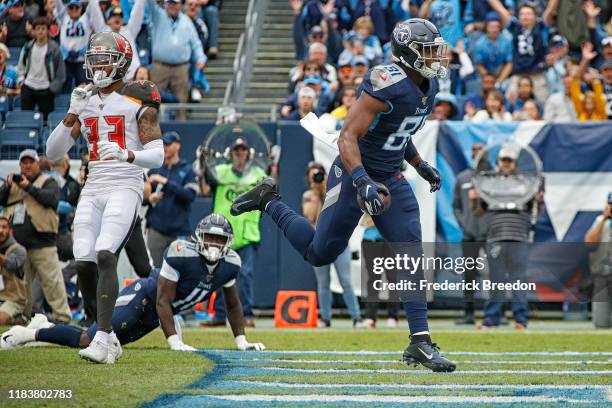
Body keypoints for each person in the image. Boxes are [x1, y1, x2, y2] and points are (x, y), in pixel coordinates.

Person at [231, 19, 456, 373]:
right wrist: (362, 180)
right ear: (407, 53)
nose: (435, 57)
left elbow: (399, 128)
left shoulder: (428, 85)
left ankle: (420, 343)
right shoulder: (386, 84)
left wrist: (418, 162)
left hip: (390, 177)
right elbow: (348, 137)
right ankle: (267, 201)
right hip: (354, 173)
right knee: (319, 253)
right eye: (427, 50)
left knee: (411, 251)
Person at [45, 31, 164, 364]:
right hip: (94, 184)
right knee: (83, 259)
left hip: (125, 182)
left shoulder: (139, 96)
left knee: (106, 252)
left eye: (104, 58)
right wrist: (71, 114)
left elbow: (157, 155)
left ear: (122, 63)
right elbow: (53, 152)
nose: (97, 64)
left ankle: (100, 336)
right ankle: (106, 335)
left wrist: (128, 155)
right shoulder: (83, 98)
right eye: (94, 58)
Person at [1, 215, 266, 355]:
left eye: (219, 241)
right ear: (198, 238)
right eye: (209, 238)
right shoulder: (180, 252)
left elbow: (232, 304)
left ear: (228, 243)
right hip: (145, 298)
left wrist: (241, 340)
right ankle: (28, 333)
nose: (213, 246)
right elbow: (163, 300)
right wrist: (174, 342)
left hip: (158, 315)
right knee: (91, 339)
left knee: (98, 341)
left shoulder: (231, 263)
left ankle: (44, 327)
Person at [472, 145, 543, 330]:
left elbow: (536, 211)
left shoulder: (526, 184)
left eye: (509, 161)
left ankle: (521, 319)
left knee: (518, 280)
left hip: (519, 237)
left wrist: (539, 201)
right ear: (498, 163)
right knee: (496, 280)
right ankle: (491, 319)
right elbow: (478, 212)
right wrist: (474, 199)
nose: (506, 164)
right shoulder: (489, 185)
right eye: (503, 160)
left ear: (515, 163)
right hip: (495, 238)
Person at [201, 137, 267, 328]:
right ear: (231, 153)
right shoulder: (221, 172)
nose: (240, 153)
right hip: (223, 233)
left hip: (247, 233)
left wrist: (275, 168)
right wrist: (204, 163)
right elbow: (205, 187)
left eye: (243, 150)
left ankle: (246, 315)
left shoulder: (258, 173)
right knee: (220, 274)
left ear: (248, 153)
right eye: (236, 150)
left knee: (245, 274)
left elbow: (268, 193)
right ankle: (220, 315)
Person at [0, 149, 72, 323]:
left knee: (52, 282)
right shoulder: (14, 183)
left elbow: (51, 200)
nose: (27, 165)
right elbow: (1, 201)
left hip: (43, 242)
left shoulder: (48, 181)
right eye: (23, 162)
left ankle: (62, 317)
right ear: (19, 165)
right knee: (23, 286)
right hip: (19, 245)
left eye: (30, 161)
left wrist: (28, 187)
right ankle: (25, 317)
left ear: (37, 163)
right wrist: (8, 186)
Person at [301, 162, 364, 328]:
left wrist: (325, 190)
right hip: (318, 243)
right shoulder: (308, 195)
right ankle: (326, 318)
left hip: (338, 241)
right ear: (308, 177)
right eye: (314, 175)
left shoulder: (333, 190)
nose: (317, 177)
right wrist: (315, 195)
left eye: (320, 174)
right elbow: (309, 217)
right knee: (323, 282)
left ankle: (356, 317)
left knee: (346, 280)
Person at [486, 0, 559, 103]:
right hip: (518, 74)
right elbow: (500, 10)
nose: (525, 17)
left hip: (537, 74)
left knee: (543, 103)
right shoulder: (514, 27)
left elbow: (550, 9)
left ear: (535, 16)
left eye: (528, 14)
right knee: (509, 101)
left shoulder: (541, 27)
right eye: (522, 14)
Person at [145, 131, 198, 268]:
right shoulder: (155, 170)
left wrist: (165, 182)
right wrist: (150, 198)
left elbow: (189, 195)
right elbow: (142, 198)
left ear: (177, 146)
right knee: (155, 272)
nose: (165, 147)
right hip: (156, 231)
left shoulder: (187, 170)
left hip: (179, 232)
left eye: (168, 144)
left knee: (180, 273)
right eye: (163, 144)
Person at [452, 143, 490, 325]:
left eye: (481, 149)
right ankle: (469, 313)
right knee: (468, 275)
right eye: (474, 149)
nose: (478, 153)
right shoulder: (463, 178)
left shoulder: (494, 178)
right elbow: (456, 205)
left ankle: (494, 314)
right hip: (469, 235)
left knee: (495, 274)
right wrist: (464, 224)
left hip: (490, 235)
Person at [147, 0, 206, 105]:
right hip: (159, 66)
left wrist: (201, 58)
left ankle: (181, 122)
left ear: (181, 5)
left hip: (181, 68)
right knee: (153, 102)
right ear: (164, 3)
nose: (172, 5)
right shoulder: (158, 15)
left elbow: (196, 43)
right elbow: (149, 3)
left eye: (175, 3)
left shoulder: (186, 21)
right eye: (169, 2)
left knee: (181, 103)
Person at [16, 16, 65, 120]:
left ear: (48, 30)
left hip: (46, 89)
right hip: (28, 87)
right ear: (33, 31)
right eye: (37, 29)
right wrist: (21, 81)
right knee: (26, 118)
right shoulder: (28, 47)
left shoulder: (54, 49)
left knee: (47, 120)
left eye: (43, 28)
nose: (40, 31)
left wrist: (52, 88)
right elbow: (21, 66)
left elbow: (60, 73)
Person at [88, 0, 145, 81]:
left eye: (120, 16)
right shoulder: (102, 31)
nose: (117, 18)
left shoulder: (129, 31)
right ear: (108, 21)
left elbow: (138, 13)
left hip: (131, 77)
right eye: (114, 16)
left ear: (123, 21)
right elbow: (94, 11)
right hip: (110, 78)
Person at [585, 193, 612, 328]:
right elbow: (589, 242)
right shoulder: (600, 221)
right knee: (601, 323)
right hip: (603, 275)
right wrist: (604, 219)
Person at [55, 0, 93, 91]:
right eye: (71, 7)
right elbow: (57, 2)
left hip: (81, 61)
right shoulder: (63, 18)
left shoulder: (86, 19)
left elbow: (93, 5)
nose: (74, 9)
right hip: (65, 60)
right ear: (67, 9)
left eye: (77, 7)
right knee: (64, 89)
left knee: (84, 89)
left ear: (81, 9)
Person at [0, 216, 28, 325]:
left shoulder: (19, 250)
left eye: (4, 227)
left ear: (10, 231)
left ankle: (19, 319)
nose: (1, 230)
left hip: (13, 300)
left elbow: (12, 265)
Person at [472, 12, 512, 86]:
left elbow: (509, 63)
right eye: (491, 26)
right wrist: (489, 80)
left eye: (496, 26)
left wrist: (499, 81)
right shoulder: (479, 44)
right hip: (484, 77)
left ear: (500, 27)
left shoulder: (507, 42)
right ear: (486, 27)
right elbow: (479, 65)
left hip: (503, 77)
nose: (494, 29)